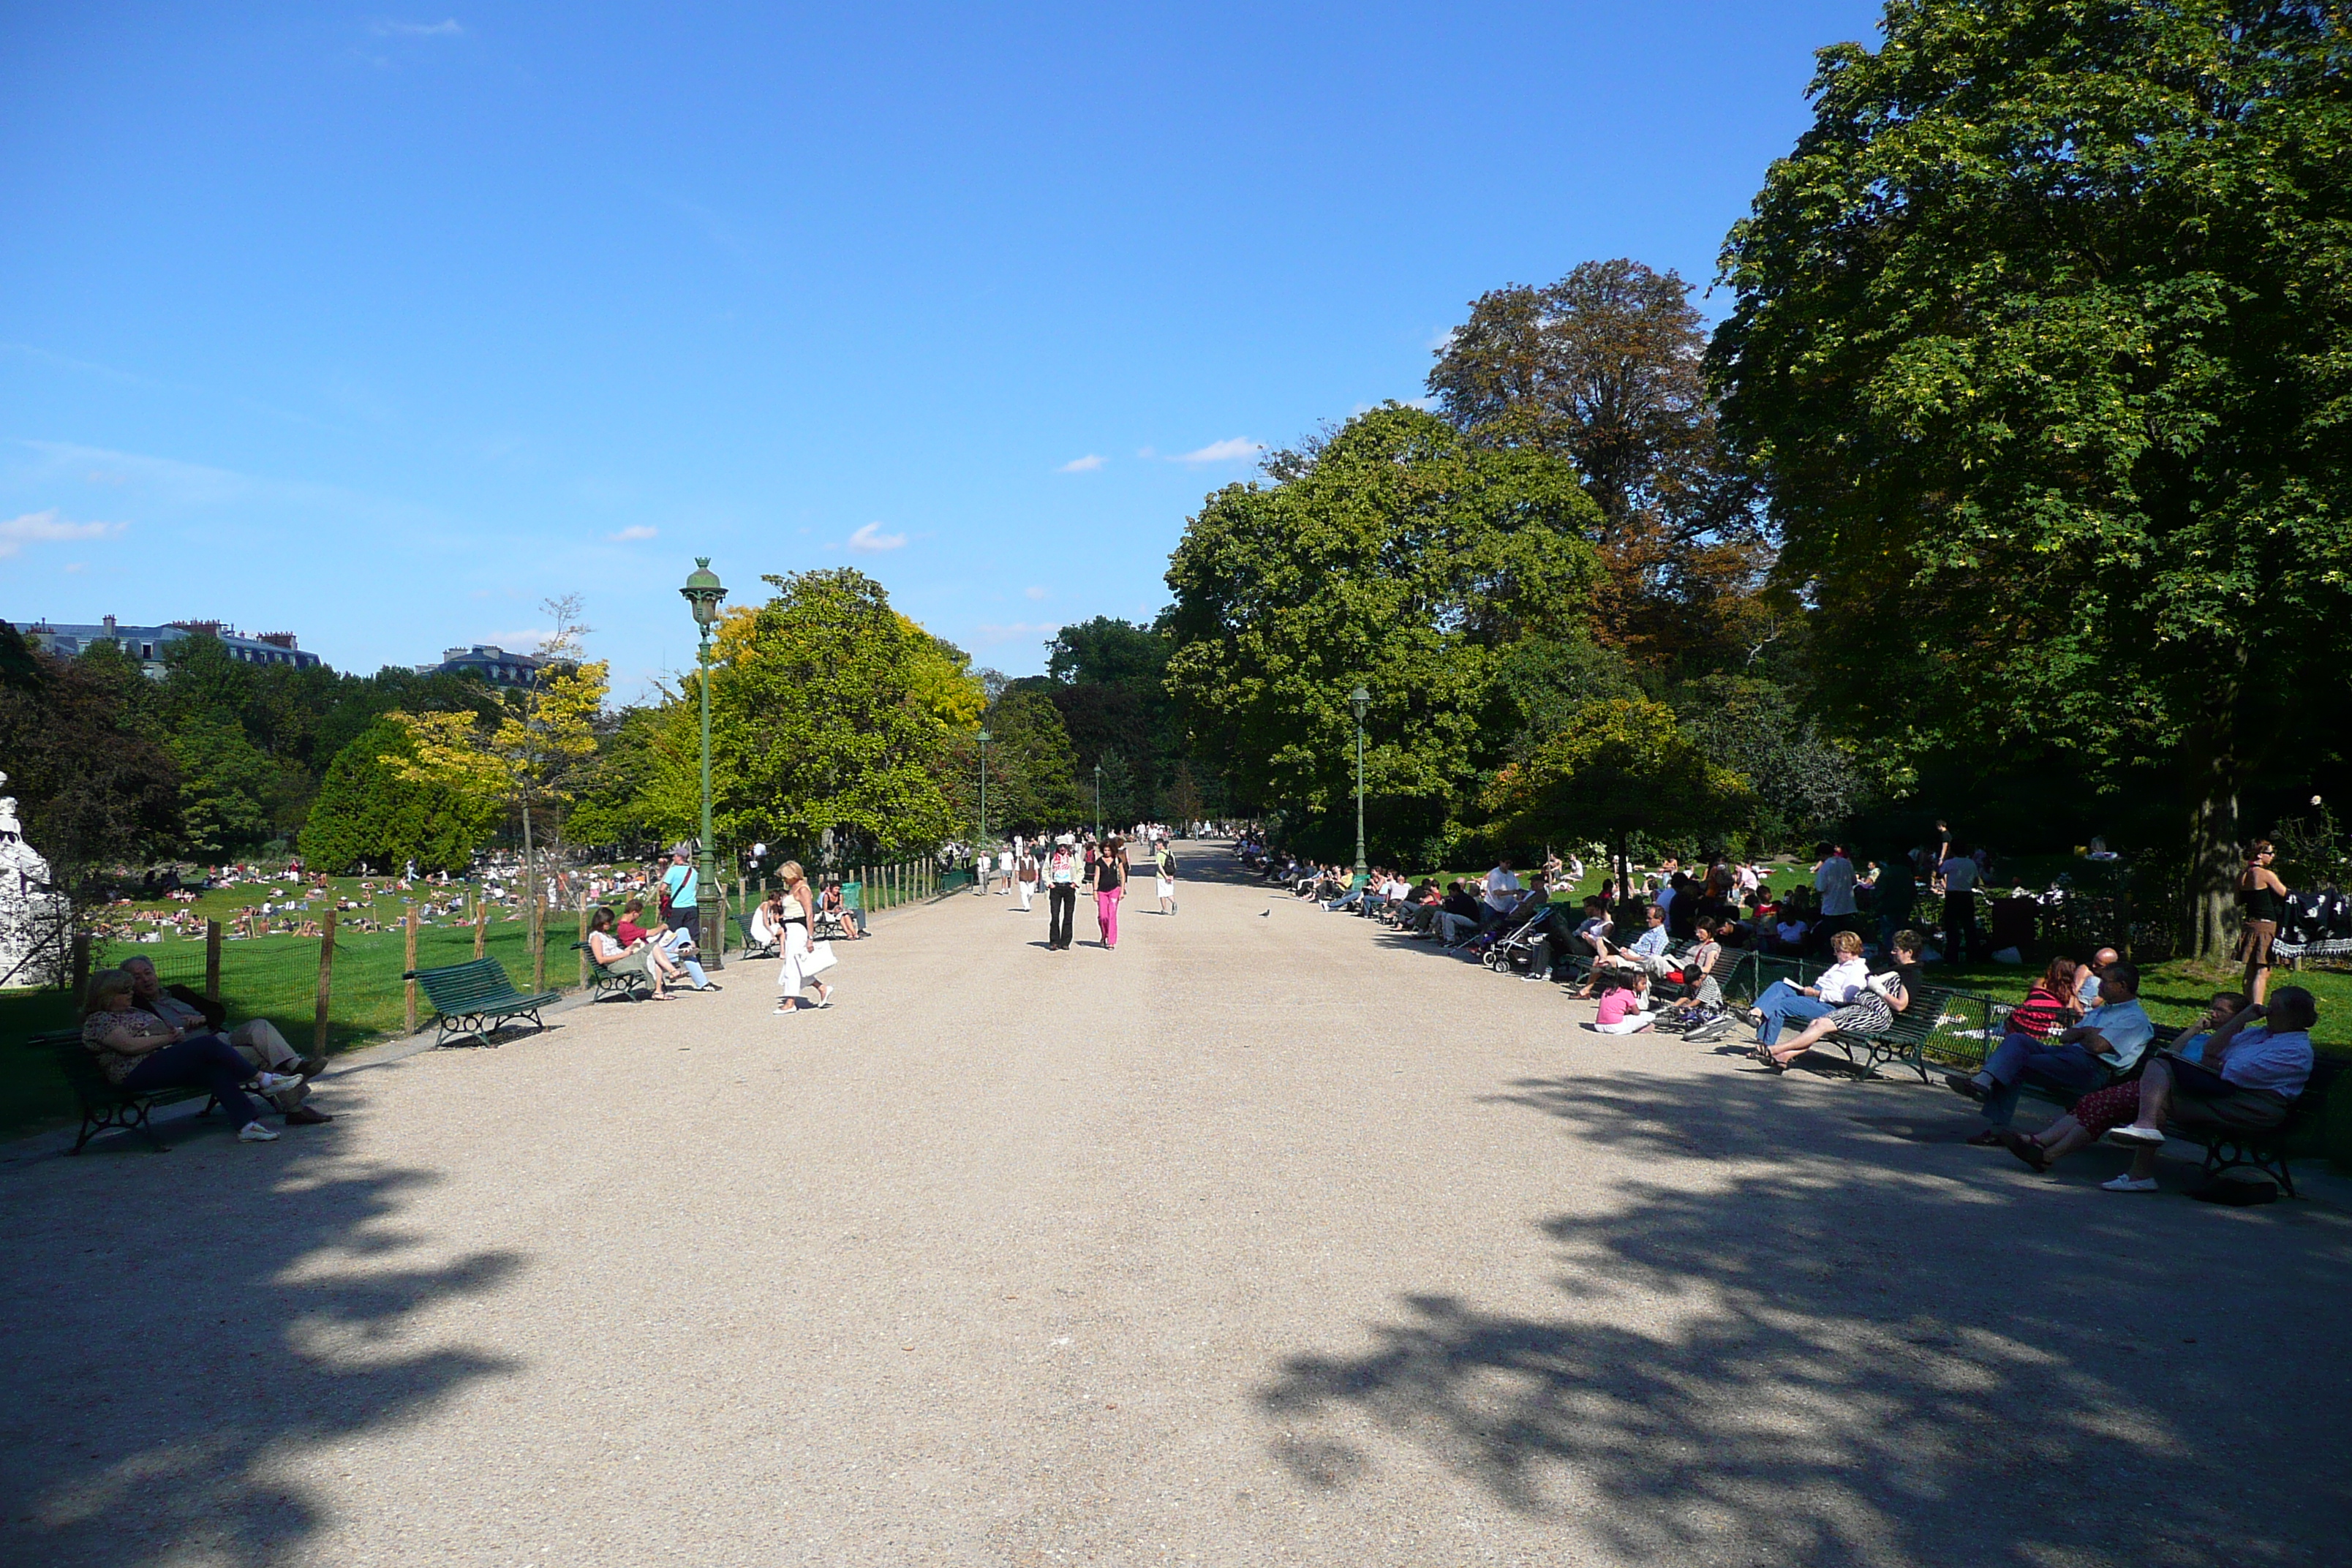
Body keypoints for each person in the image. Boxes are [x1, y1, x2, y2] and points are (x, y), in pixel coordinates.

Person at [2005, 990, 2315, 1191]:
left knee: (2150, 1084)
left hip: (2251, 1108)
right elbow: (2211, 1054)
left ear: (2294, 1016)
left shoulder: (2293, 1050)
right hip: (2222, 1093)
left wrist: (2213, 1062)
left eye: (2273, 1008)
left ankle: (2058, 1151)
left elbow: (2228, 1072)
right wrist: (2245, 1018)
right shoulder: (2260, 1034)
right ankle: (2050, 1151)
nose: (2267, 1012)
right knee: (2131, 1091)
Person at [80, 968, 306, 1145]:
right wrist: (167, 1039)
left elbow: (159, 1030)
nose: (131, 994)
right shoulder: (101, 1019)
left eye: (130, 989)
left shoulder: (132, 1012)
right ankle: (265, 1081)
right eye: (125, 991)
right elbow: (128, 1046)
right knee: (207, 1044)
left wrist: (170, 1034)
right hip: (134, 1072)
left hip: (157, 1063)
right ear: (107, 995)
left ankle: (247, 1126)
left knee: (213, 1069)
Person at [120, 954, 328, 1123]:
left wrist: (202, 1018)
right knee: (264, 1053)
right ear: (129, 983)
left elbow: (218, 1011)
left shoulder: (177, 991)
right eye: (137, 977)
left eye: (148, 973)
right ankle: (296, 1108)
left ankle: (296, 1065)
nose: (146, 980)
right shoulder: (137, 1008)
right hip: (200, 1053)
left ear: (155, 973)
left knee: (260, 1025)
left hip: (220, 1038)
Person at [1948, 960, 2152, 1129]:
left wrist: (2085, 1033)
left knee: (2017, 1063)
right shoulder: (2104, 1011)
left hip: (2091, 1069)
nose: (2098, 986)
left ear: (2122, 986)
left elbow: (2097, 1047)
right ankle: (1982, 1082)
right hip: (2067, 1054)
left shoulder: (2133, 1019)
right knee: (2017, 1040)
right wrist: (2087, 1033)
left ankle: (1995, 1128)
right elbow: (2065, 1036)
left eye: (2105, 982)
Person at [1760, 930, 1921, 1070]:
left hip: (1875, 1014)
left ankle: (1775, 1049)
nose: (1892, 952)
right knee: (1816, 1023)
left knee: (1821, 1024)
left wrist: (1880, 990)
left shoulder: (1911, 973)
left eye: (1897, 950)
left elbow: (1900, 1006)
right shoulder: (1893, 968)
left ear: (1909, 952)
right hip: (1859, 1008)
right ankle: (1784, 1056)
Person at [1748, 934, 1872, 1049]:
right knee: (1779, 986)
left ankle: (1766, 1046)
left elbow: (1845, 998)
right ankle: (1756, 1013)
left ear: (1849, 951)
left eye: (1838, 950)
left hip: (1829, 1006)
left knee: (1781, 1004)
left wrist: (1816, 993)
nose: (1835, 953)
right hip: (1814, 996)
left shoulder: (1858, 970)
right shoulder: (1839, 966)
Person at [772, 860, 834, 1014]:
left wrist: (810, 938)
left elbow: (809, 914)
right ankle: (822, 988)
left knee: (793, 966)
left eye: (785, 877)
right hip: (791, 929)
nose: (784, 880)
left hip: (798, 930)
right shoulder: (793, 888)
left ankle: (790, 1002)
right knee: (795, 965)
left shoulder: (803, 889)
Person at [2237, 840, 2288, 1005]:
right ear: (2260, 855)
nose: (2273, 856)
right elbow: (2285, 894)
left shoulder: (2242, 874)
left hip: (2249, 925)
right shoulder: (2265, 874)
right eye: (2270, 853)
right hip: (2265, 925)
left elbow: (2237, 901)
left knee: (2250, 969)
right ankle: (2256, 1007)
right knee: (2263, 970)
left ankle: (2246, 1004)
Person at [587, 906, 672, 1000]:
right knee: (651, 952)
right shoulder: (596, 937)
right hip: (616, 964)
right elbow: (601, 959)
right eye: (608, 922)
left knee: (652, 948)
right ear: (601, 921)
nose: (611, 924)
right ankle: (670, 974)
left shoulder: (605, 934)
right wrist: (624, 955)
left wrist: (631, 949)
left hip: (624, 958)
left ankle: (659, 990)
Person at [1937, 840, 1980, 962]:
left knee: (1952, 927)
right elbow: (1976, 881)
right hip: (1966, 895)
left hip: (1953, 896)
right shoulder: (1971, 863)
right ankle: (1973, 955)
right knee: (1969, 927)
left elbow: (1939, 875)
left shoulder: (1949, 863)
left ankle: (1952, 955)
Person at [1813, 843, 1858, 949]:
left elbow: (1820, 888)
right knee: (1848, 941)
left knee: (1833, 942)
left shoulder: (1825, 868)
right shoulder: (1846, 863)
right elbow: (1854, 881)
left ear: (1822, 854)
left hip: (1831, 910)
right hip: (1848, 907)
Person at [1591, 971, 1655, 1034]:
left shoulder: (1608, 990)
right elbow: (1637, 1013)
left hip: (1599, 1026)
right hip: (1615, 1027)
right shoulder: (1627, 993)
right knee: (1649, 1016)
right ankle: (1639, 1029)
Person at [1045, 836, 1080, 950]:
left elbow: (1081, 871)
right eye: (1060, 846)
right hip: (1056, 887)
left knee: (1068, 915)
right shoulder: (1051, 857)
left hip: (1069, 887)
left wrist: (1075, 883)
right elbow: (1045, 870)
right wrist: (1050, 883)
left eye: (1065, 846)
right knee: (1055, 915)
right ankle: (1054, 941)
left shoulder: (1073, 856)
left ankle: (1065, 942)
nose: (1062, 848)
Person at [660, 849, 701, 947]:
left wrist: (662, 896)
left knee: (673, 933)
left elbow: (662, 889)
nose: (673, 858)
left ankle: (672, 955)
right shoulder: (693, 872)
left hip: (678, 907)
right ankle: (693, 955)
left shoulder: (673, 870)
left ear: (680, 857)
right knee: (692, 935)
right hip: (692, 906)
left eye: (675, 856)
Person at [1093, 835, 1128, 949]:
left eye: (1109, 850)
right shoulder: (1099, 862)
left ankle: (1111, 941)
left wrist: (1122, 891)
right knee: (1103, 916)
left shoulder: (1117, 860)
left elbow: (1123, 876)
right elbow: (1096, 877)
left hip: (1114, 890)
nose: (1107, 852)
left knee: (1112, 915)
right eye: (1105, 850)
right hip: (1102, 891)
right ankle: (1104, 935)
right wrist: (1094, 891)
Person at [1155, 840, 1177, 916]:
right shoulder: (1170, 853)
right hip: (1170, 875)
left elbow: (1160, 867)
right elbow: (1174, 865)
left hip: (1161, 876)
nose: (1156, 847)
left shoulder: (1159, 854)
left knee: (1162, 893)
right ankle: (1174, 903)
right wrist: (1172, 875)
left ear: (1161, 845)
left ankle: (1164, 909)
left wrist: (1165, 876)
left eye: (1157, 845)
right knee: (1169, 892)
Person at [1016, 846, 1039, 913]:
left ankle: (1027, 903)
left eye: (1027, 853)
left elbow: (1036, 868)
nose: (1026, 854)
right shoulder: (1020, 859)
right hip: (1023, 878)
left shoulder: (1033, 859)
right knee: (1024, 893)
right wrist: (1016, 878)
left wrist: (1037, 877)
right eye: (1025, 853)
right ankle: (1027, 906)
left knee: (1031, 893)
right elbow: (1017, 870)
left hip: (1031, 877)